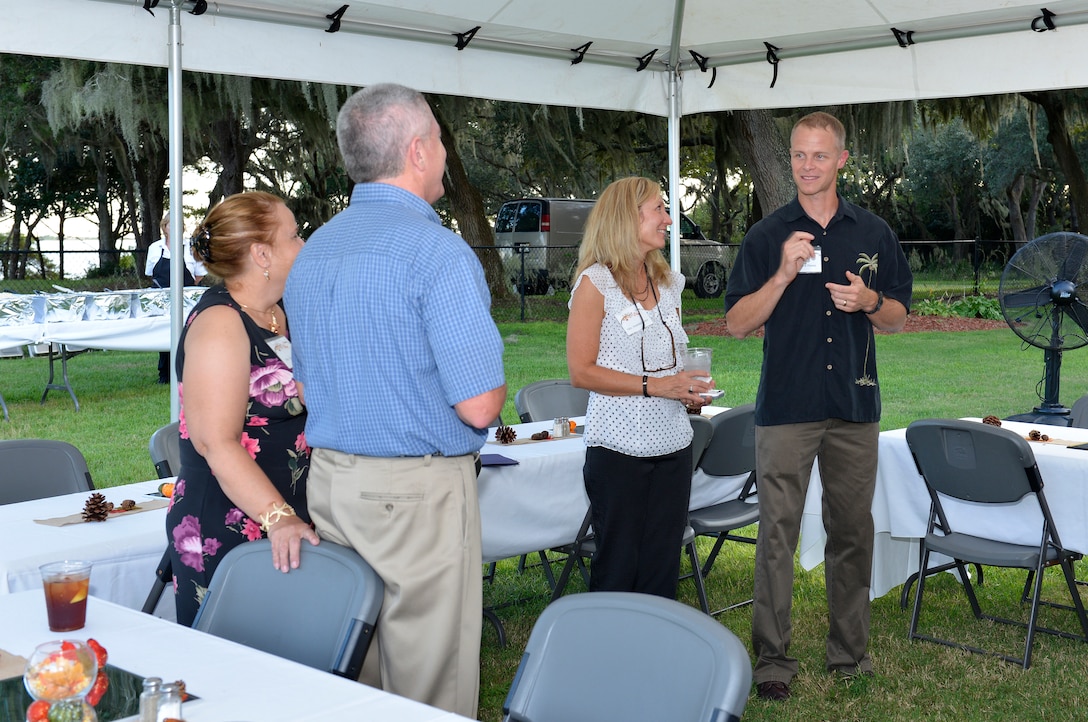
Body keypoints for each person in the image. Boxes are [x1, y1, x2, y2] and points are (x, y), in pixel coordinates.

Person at [283, 83, 506, 719]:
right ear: (416, 151)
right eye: (438, 138)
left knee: (359, 656)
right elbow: (481, 407)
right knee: (428, 676)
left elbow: (303, 383)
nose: (443, 150)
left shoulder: (315, 250)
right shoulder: (437, 253)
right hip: (415, 493)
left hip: (330, 482)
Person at [724, 111, 913, 701]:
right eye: (799, 156)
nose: (807, 166)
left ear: (842, 160)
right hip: (786, 407)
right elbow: (735, 324)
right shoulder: (766, 236)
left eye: (819, 155)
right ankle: (772, 661)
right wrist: (780, 275)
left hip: (854, 407)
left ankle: (849, 654)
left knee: (852, 530)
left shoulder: (873, 232)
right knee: (776, 533)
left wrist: (869, 299)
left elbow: (900, 316)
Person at [165, 191, 319, 627]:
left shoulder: (282, 311)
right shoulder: (220, 323)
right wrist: (280, 518)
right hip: (233, 523)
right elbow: (216, 443)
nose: (302, 244)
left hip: (292, 515)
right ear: (261, 253)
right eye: (293, 235)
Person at [566, 176, 712, 598]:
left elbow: (673, 358)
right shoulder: (595, 285)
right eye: (659, 210)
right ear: (626, 219)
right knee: (618, 565)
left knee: (662, 565)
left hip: (674, 447)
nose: (669, 219)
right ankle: (611, 657)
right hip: (618, 451)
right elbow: (582, 372)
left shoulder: (668, 283)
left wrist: (686, 389)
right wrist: (656, 386)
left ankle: (655, 657)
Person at [147, 216, 206, 383]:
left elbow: (199, 274)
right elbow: (151, 273)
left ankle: (187, 372)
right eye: (170, 224)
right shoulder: (155, 248)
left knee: (188, 334)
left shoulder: (191, 247)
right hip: (162, 298)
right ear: (164, 227)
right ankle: (164, 374)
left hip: (187, 297)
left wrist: (186, 288)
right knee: (165, 335)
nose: (173, 228)